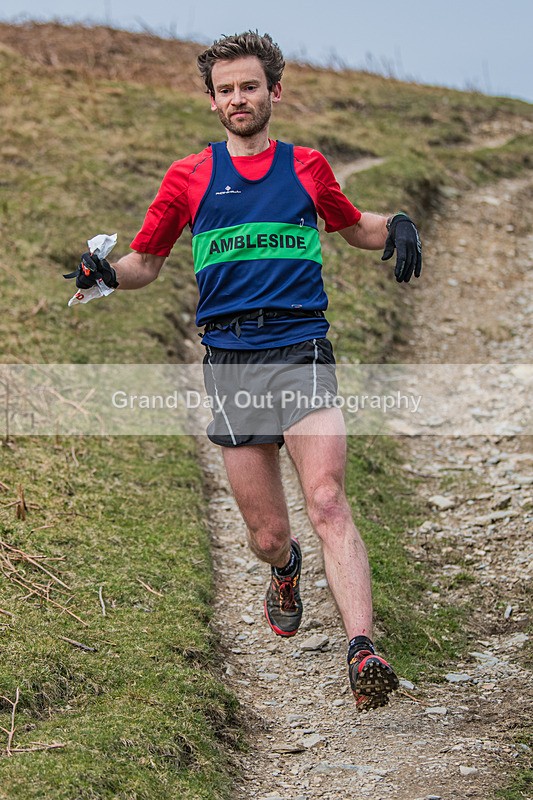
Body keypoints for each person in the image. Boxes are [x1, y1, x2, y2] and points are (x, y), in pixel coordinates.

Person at [66, 31, 422, 712]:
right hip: (229, 360)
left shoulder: (307, 167)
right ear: (211, 101)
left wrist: (397, 223)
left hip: (301, 347)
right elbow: (147, 261)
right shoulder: (188, 177)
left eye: (249, 86)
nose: (238, 98)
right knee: (268, 534)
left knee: (325, 500)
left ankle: (362, 649)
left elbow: (352, 228)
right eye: (226, 89)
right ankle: (284, 573)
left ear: (273, 92)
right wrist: (106, 273)